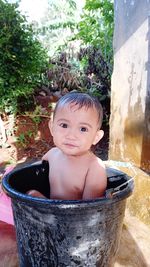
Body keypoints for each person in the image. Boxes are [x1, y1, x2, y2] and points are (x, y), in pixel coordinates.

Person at [28, 92, 107, 200]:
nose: (71, 135)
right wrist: (14, 177)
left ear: (96, 137)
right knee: (31, 193)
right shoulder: (52, 155)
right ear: (52, 127)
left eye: (83, 129)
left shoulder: (94, 167)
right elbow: (34, 172)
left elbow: (90, 211)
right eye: (64, 125)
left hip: (74, 215)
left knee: (32, 195)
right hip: (48, 211)